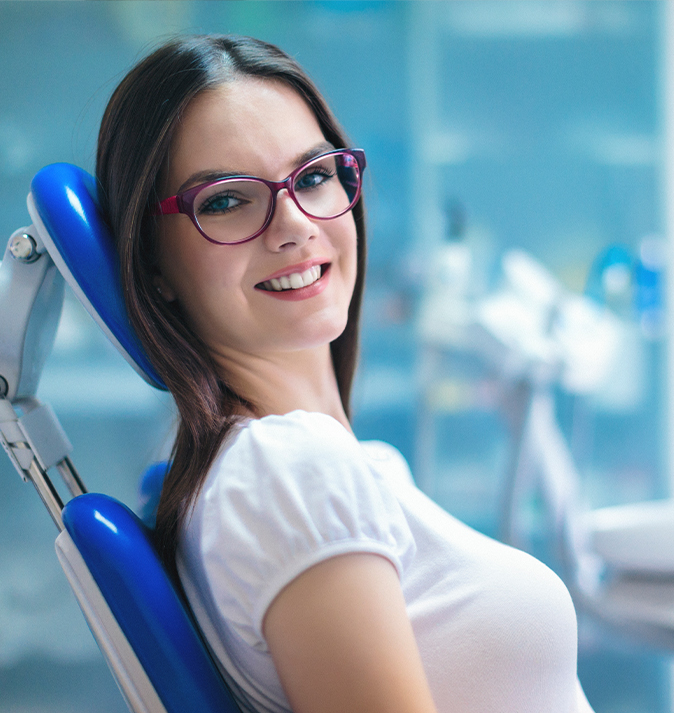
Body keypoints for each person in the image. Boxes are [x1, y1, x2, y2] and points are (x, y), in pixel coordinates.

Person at [96, 35, 594, 713]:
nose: (295, 224)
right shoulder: (291, 472)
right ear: (151, 263)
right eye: (224, 201)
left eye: (312, 176)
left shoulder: (322, 465)